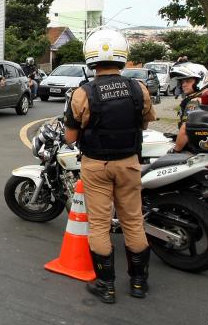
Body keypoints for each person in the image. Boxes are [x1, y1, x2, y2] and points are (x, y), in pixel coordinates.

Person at [64, 28, 156, 303]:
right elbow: (145, 121)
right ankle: (138, 284)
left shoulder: (83, 93)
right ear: (123, 57)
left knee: (100, 225)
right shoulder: (138, 88)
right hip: (129, 163)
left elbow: (70, 136)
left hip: (96, 165)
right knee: (133, 222)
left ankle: (107, 287)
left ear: (91, 59)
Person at [169, 63, 208, 153]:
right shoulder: (206, 96)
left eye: (188, 81)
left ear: (199, 81)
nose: (183, 84)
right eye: (183, 81)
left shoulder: (194, 102)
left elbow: (185, 130)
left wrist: (175, 150)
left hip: (194, 149)